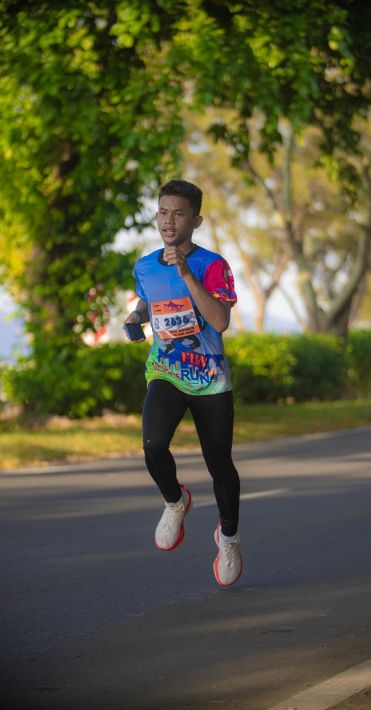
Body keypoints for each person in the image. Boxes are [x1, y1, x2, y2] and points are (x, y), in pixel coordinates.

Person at [124, 179, 242, 587]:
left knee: (219, 464)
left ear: (196, 220)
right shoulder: (144, 265)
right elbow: (148, 299)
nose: (169, 221)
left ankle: (229, 537)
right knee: (153, 444)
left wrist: (187, 273)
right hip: (166, 369)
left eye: (178, 214)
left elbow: (220, 321)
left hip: (209, 378)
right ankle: (176, 501)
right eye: (163, 212)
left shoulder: (213, 265)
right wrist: (136, 318)